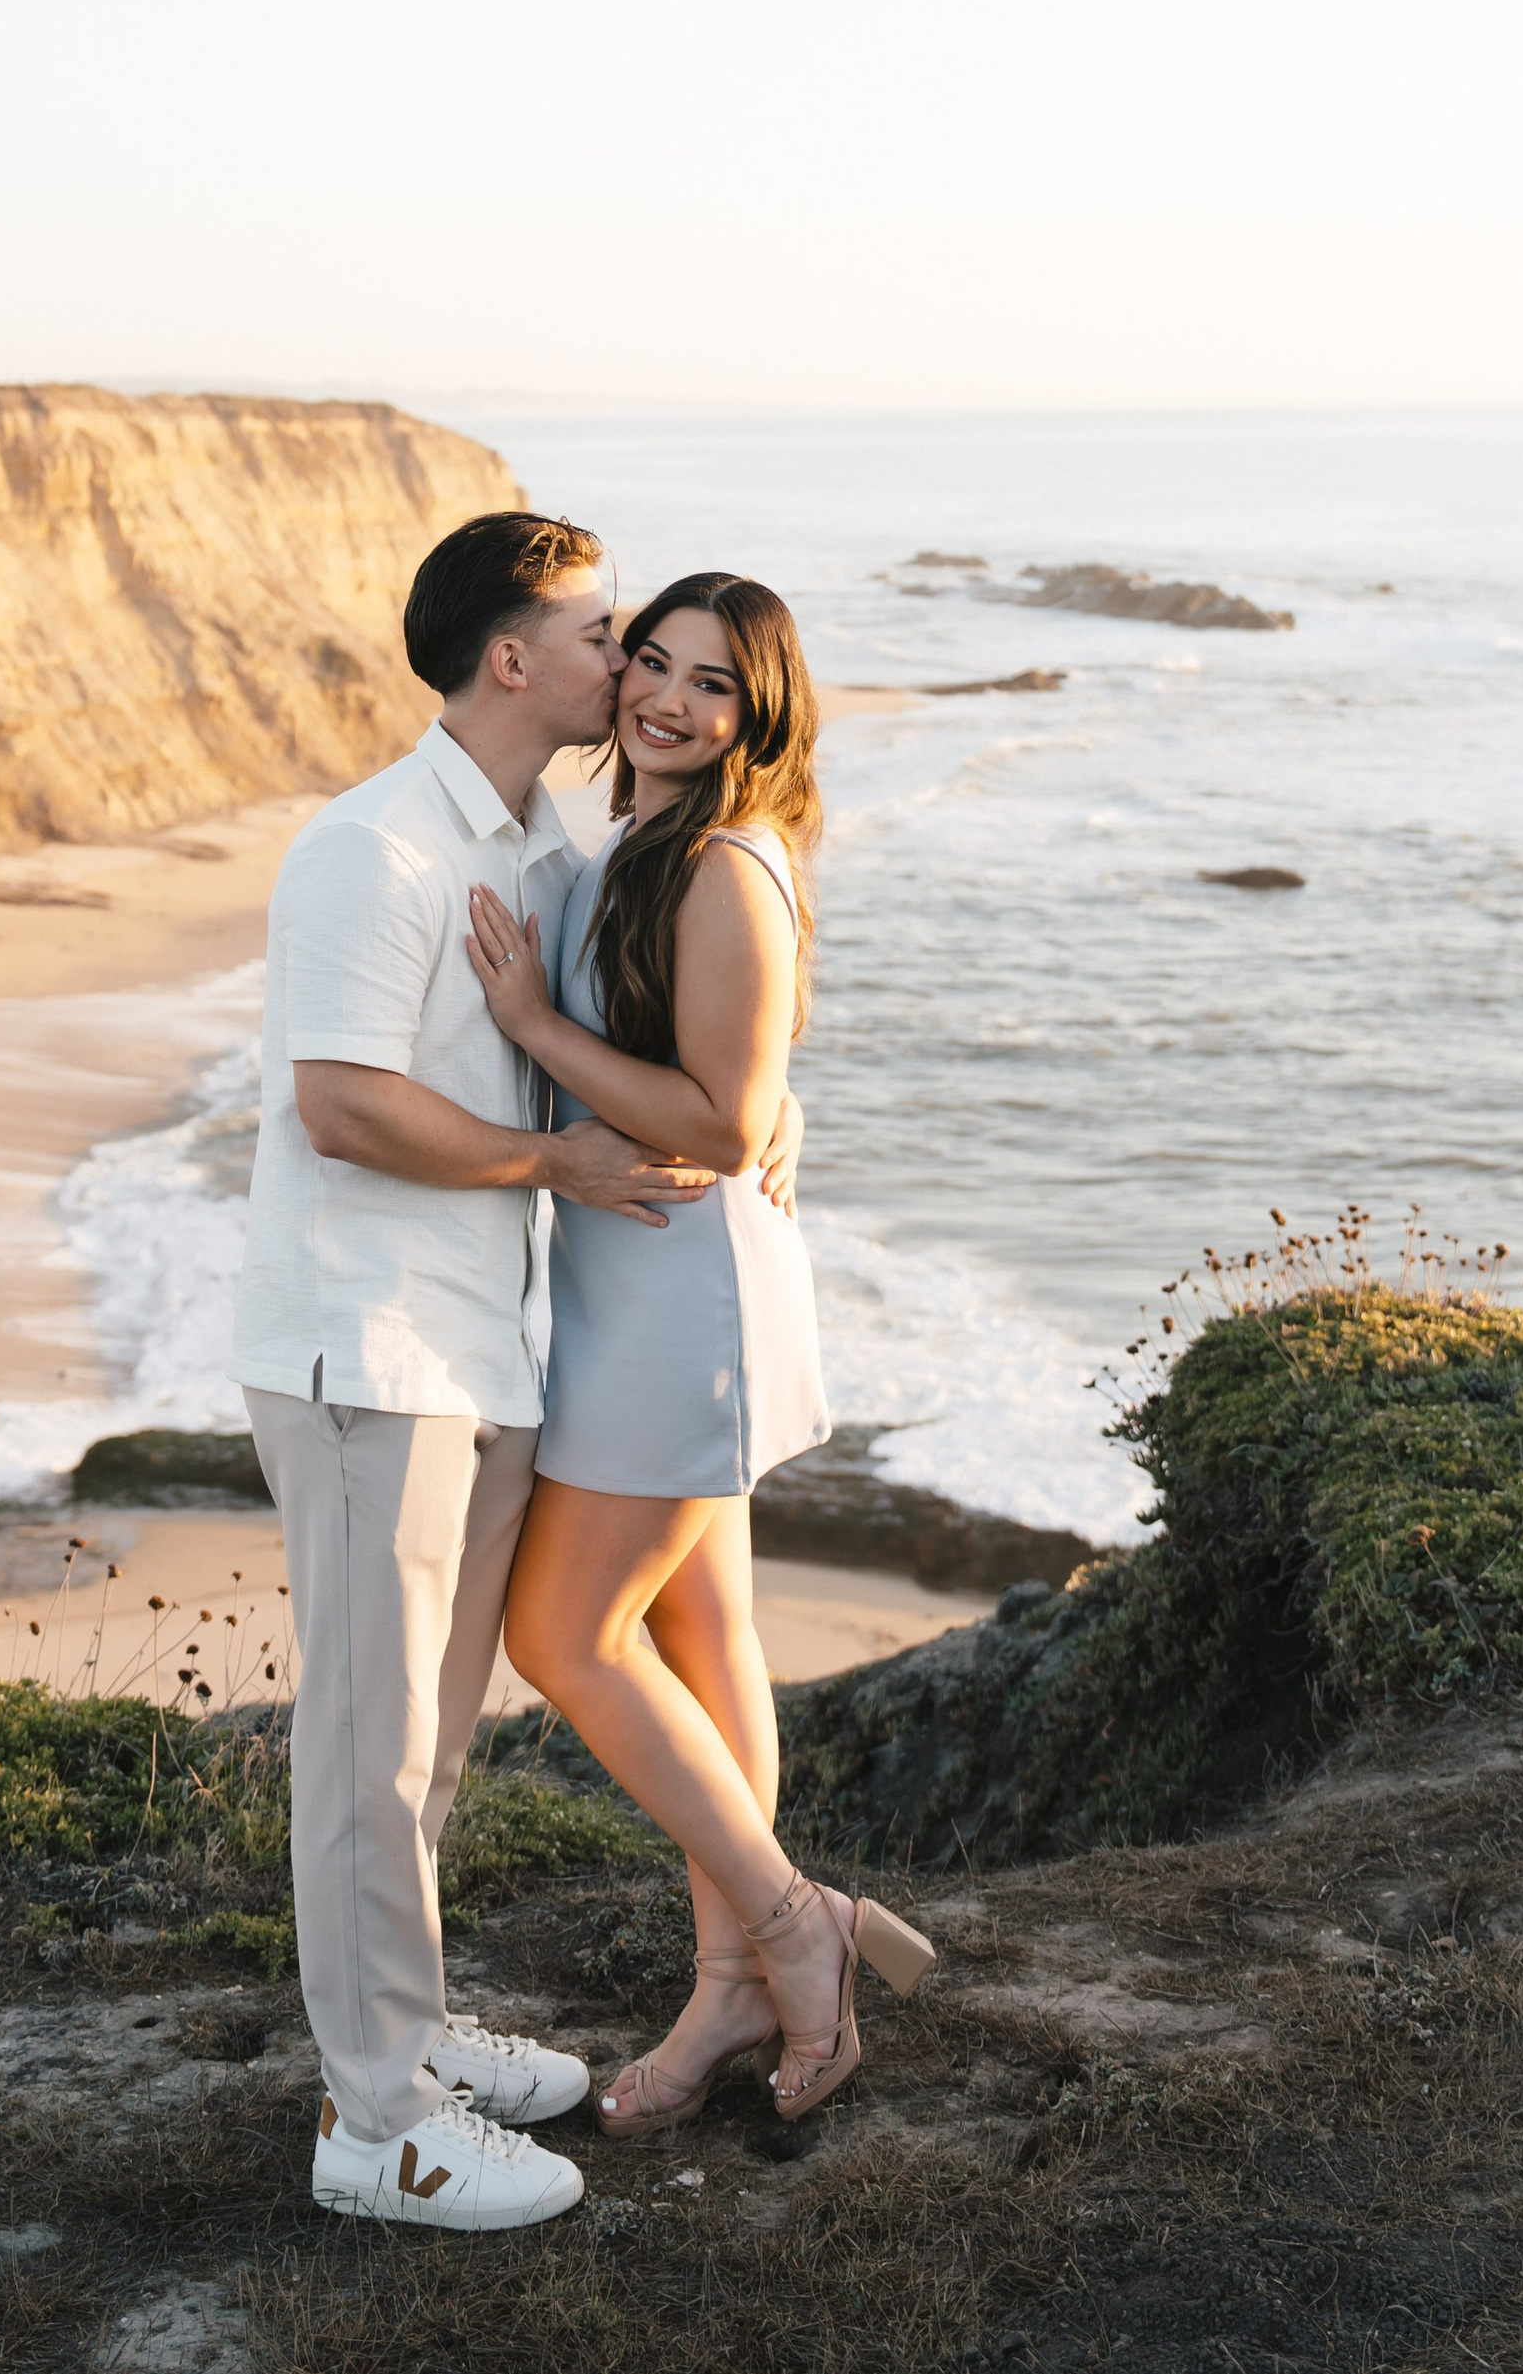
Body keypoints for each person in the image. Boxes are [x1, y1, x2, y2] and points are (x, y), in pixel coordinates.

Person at [232, 508, 802, 2234]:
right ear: (512, 657)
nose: (625, 660)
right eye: (605, 629)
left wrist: (767, 1119)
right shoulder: (373, 847)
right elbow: (341, 1103)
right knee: (364, 1752)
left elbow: (665, 1047)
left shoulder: (545, 849)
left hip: (487, 1349)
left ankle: (406, 2036)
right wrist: (555, 1165)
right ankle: (383, 2124)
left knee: (427, 1737)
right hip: (364, 1355)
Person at [466, 570, 935, 2143]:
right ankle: (732, 1976)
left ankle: (793, 1924)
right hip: (639, 1287)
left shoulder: (723, 861)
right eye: (648, 661)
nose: (666, 696)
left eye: (713, 683)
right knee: (709, 1625)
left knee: (563, 1630)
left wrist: (534, 1025)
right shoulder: (644, 848)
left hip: (682, 1307)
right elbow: (743, 1080)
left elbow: (728, 1120)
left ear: (764, 712)